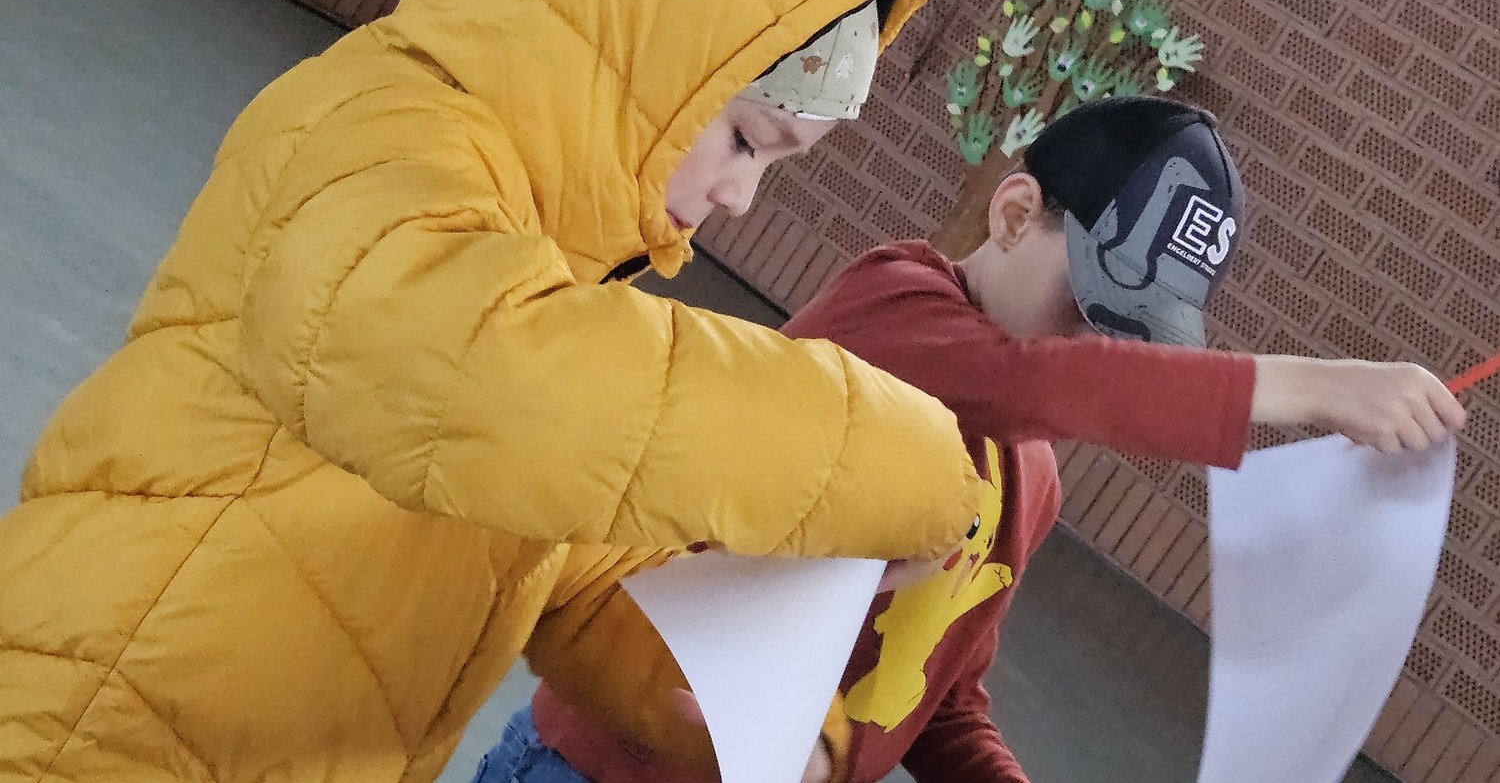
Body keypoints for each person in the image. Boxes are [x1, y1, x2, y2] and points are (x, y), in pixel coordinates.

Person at [0, 0, 997, 781]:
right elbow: (475, 377)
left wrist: (753, 716)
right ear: (650, 57)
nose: (740, 197)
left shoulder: (549, 275)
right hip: (95, 722)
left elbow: (561, 544)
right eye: (744, 138)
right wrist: (880, 457)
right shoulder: (385, 128)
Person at [486, 96, 1468, 783]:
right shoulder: (892, 307)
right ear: (1013, 212)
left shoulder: (1030, 476)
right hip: (605, 760)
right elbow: (1032, 380)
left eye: (1126, 336)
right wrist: (1312, 386)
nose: (1091, 345)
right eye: (1087, 306)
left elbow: (939, 692)